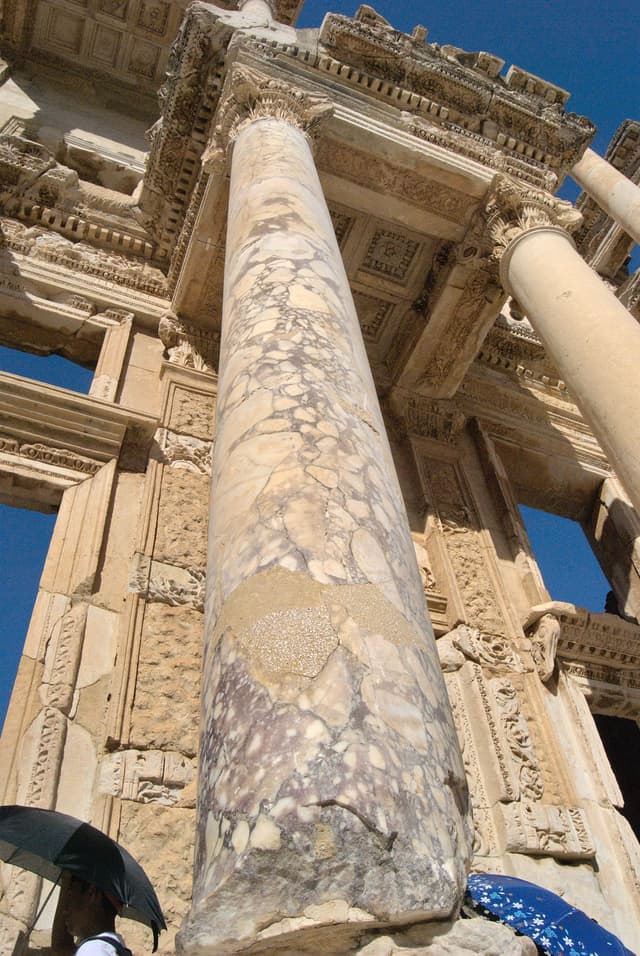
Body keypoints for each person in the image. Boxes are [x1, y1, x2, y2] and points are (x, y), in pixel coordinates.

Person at [51, 871, 132, 956]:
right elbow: (62, 947)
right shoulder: (113, 946)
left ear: (92, 893)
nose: (64, 911)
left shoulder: (93, 950)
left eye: (70, 897)